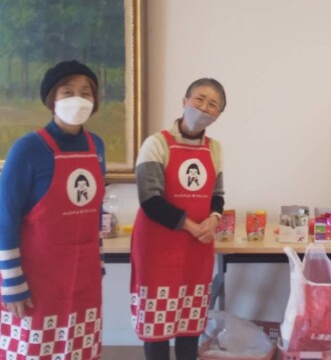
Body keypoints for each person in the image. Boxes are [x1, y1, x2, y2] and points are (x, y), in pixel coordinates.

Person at [0, 60, 105, 360]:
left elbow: (94, 212)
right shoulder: (28, 149)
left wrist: (98, 261)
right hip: (36, 279)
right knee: (36, 350)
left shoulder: (96, 145)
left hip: (83, 275)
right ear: (52, 99)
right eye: (68, 92)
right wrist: (12, 283)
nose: (78, 99)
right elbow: (5, 218)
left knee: (79, 349)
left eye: (86, 92)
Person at [130, 78, 226, 360]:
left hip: (196, 249)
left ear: (218, 115)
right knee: (156, 328)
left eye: (213, 105)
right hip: (157, 248)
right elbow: (150, 200)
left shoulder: (215, 148)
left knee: (190, 325)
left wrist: (214, 218)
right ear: (184, 102)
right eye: (199, 99)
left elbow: (217, 195)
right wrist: (191, 226)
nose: (204, 108)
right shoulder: (156, 143)